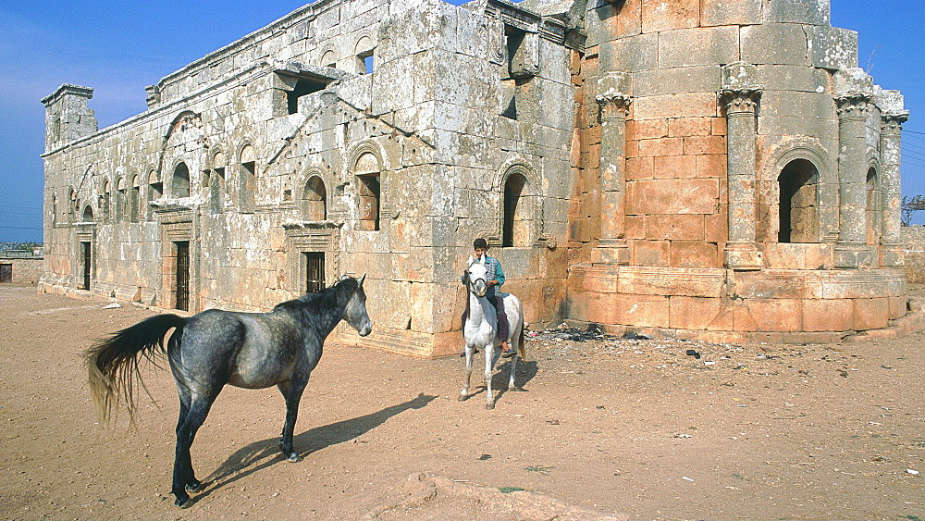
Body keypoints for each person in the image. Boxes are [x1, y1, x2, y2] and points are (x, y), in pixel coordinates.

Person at [461, 238, 512, 357]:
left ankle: (504, 342)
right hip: (478, 298)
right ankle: (470, 344)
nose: (480, 253)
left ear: (486, 249)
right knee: (465, 316)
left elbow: (501, 278)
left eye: (482, 250)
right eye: (477, 251)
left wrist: (492, 282)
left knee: (501, 314)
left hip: (493, 294)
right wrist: (464, 277)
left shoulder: (494, 262)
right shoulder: (472, 264)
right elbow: (464, 281)